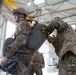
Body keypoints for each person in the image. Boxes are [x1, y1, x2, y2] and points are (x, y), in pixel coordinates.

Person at [1, 8, 34, 75]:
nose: (14, 17)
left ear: (21, 15)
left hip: (22, 57)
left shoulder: (22, 24)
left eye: (15, 15)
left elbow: (19, 41)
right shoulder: (24, 24)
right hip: (24, 57)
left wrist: (7, 56)